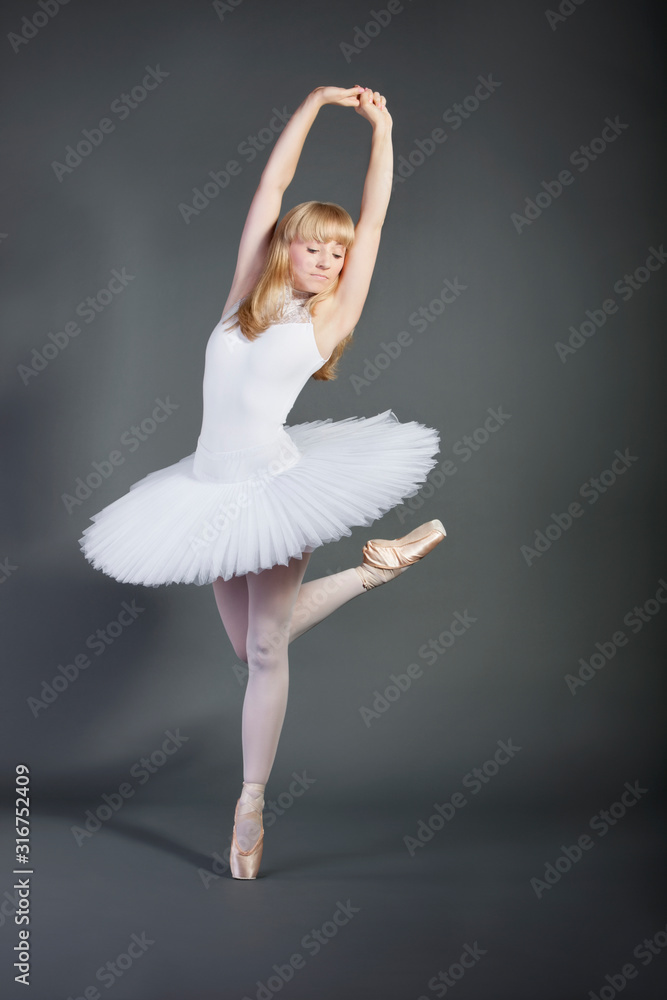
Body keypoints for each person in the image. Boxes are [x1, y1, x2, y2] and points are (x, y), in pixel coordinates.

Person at [79, 85, 445, 879]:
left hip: (273, 489)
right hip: (205, 488)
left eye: (337, 253)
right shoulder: (243, 298)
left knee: (267, 648)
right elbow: (269, 189)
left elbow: (375, 219)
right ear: (286, 247)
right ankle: (376, 569)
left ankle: (249, 805)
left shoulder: (330, 317)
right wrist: (313, 105)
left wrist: (382, 128)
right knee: (249, 649)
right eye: (314, 247)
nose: (327, 260)